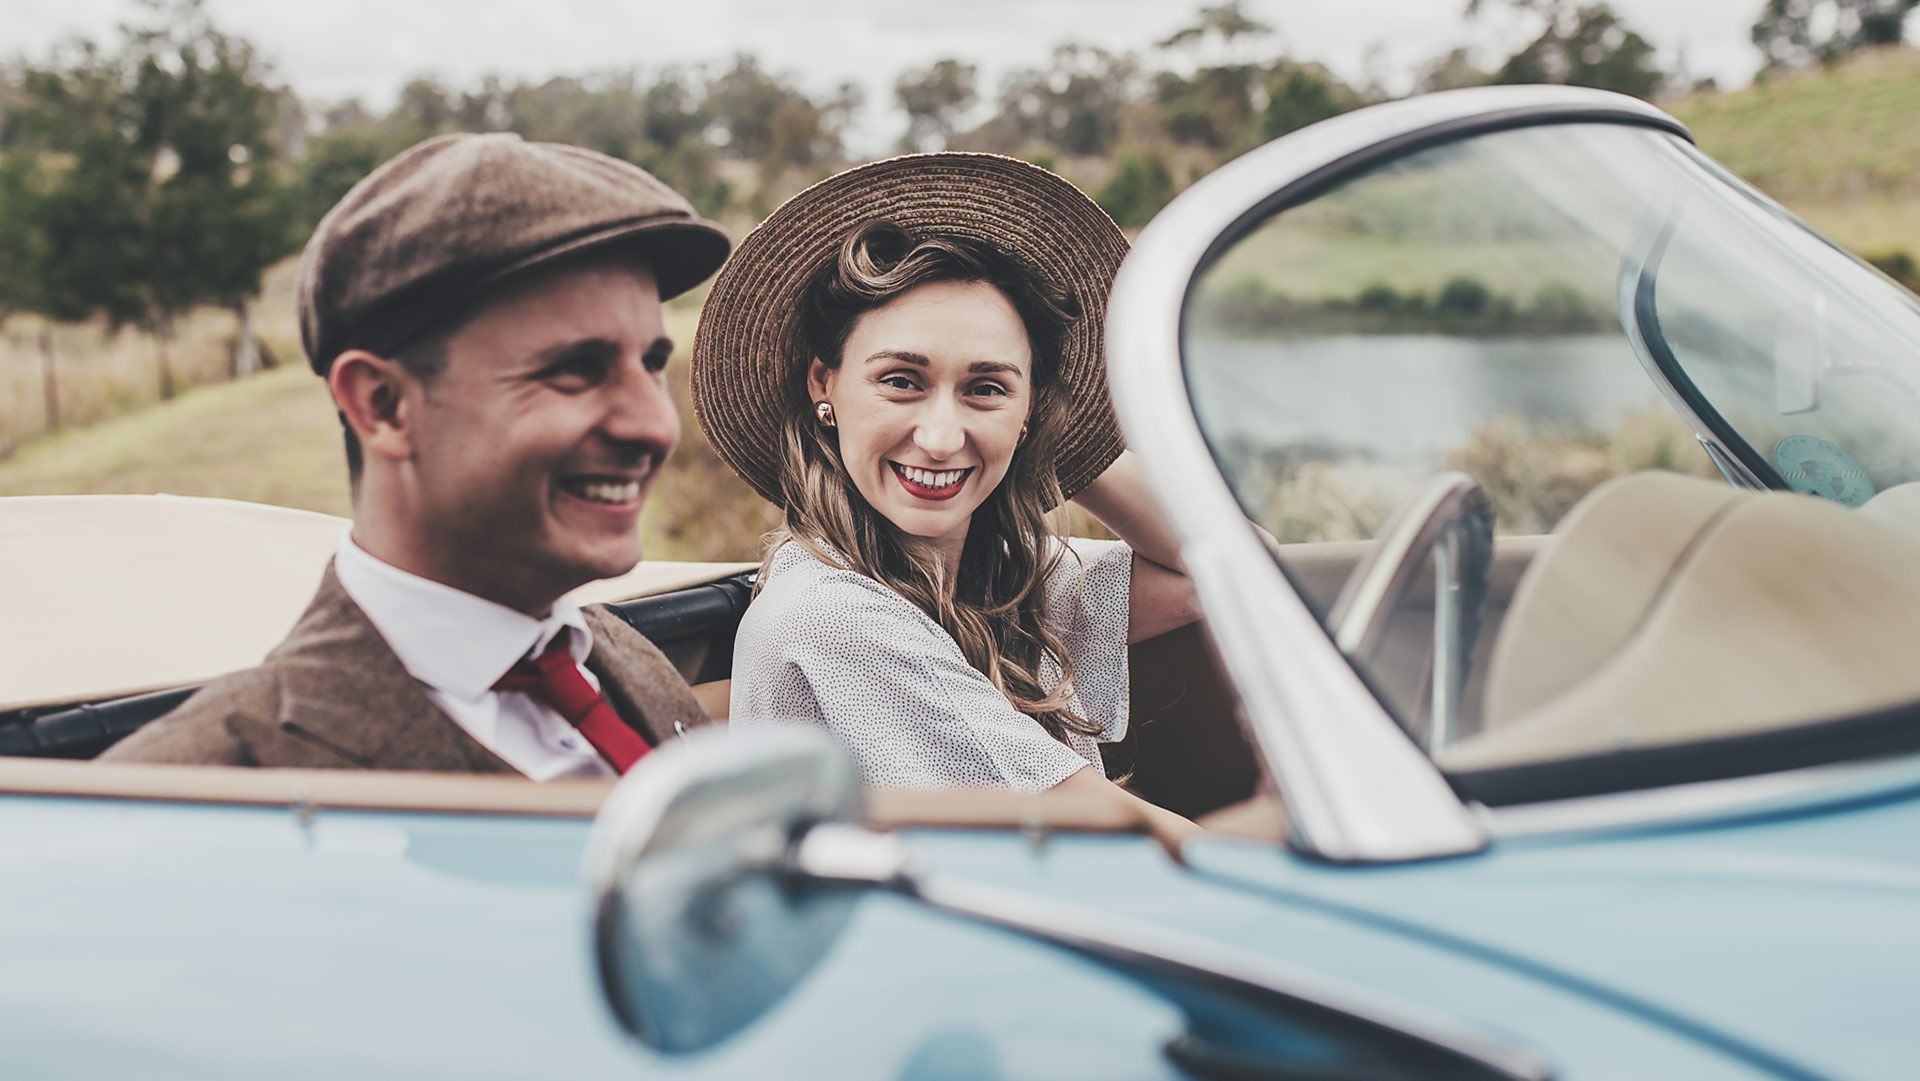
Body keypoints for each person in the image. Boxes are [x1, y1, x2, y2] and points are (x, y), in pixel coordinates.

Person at [102, 133, 731, 775]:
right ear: (382, 405)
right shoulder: (195, 789)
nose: (655, 426)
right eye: (574, 369)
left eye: (652, 363)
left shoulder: (627, 663)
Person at [692, 153, 1201, 830]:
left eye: (985, 387)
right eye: (902, 380)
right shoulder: (836, 618)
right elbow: (1127, 840)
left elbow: (1224, 568)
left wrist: (1046, 436)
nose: (939, 436)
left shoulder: (990, 581)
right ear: (825, 385)